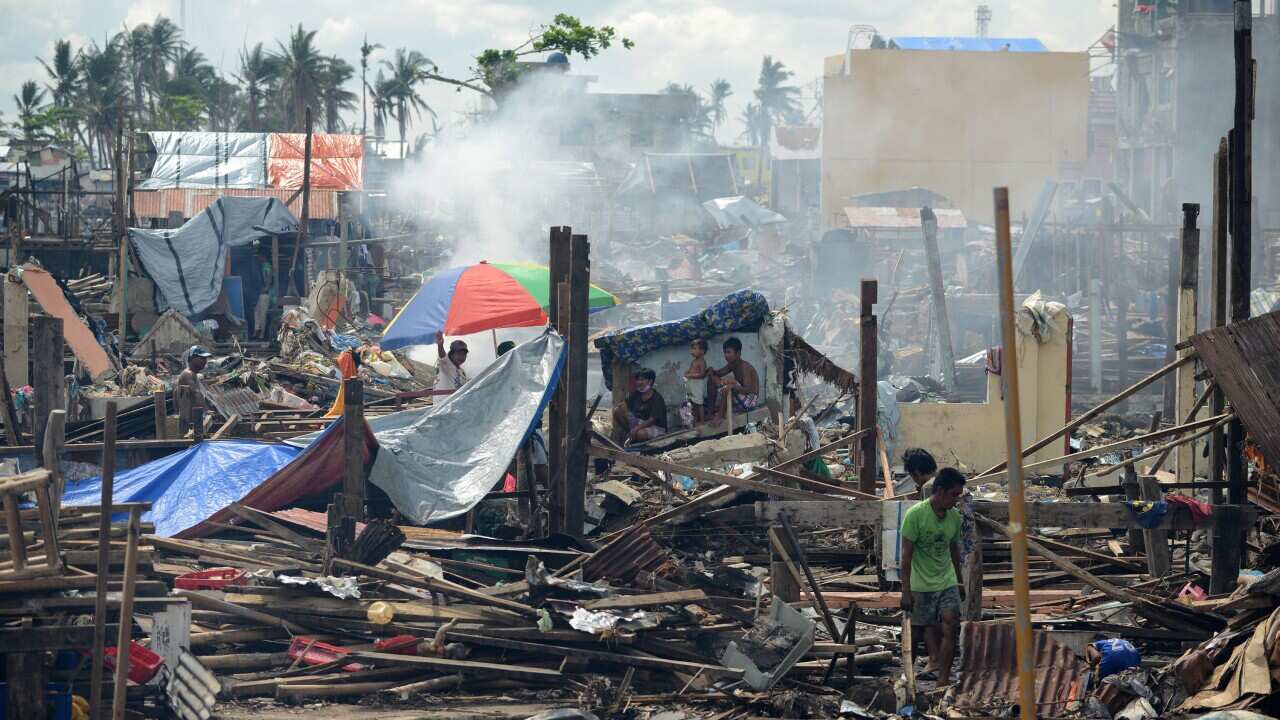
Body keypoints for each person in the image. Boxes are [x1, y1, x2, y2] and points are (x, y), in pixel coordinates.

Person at [900, 467, 966, 686]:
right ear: (939, 491)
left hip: (946, 581)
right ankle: (907, 680)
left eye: (959, 495)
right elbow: (906, 558)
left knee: (951, 625)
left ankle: (943, 680)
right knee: (917, 634)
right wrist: (906, 592)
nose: (956, 500)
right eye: (953, 495)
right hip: (921, 584)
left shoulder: (954, 517)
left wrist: (959, 580)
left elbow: (954, 550)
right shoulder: (915, 516)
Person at [709, 336, 761, 422]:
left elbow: (748, 389)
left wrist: (732, 386)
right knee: (712, 379)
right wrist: (711, 370)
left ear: (738, 353)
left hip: (750, 400)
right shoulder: (732, 364)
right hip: (741, 397)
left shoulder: (745, 367)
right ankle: (710, 413)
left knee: (728, 384)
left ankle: (719, 416)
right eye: (725, 352)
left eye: (729, 352)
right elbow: (718, 373)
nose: (726, 355)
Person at [612, 368, 668, 445]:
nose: (638, 382)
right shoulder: (637, 393)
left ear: (650, 381)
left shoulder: (657, 398)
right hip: (639, 422)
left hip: (655, 426)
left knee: (640, 433)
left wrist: (636, 429)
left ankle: (635, 437)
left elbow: (651, 420)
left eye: (642, 380)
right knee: (617, 411)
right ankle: (632, 436)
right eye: (638, 380)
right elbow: (624, 403)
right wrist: (626, 412)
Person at [175, 345, 212, 437]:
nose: (205, 361)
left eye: (205, 359)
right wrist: (207, 411)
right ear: (193, 359)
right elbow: (197, 395)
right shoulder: (188, 374)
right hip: (187, 421)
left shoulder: (194, 374)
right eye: (202, 358)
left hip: (192, 419)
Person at [324, 344, 365, 418]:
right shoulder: (350, 356)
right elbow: (357, 364)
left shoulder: (344, 355)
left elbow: (345, 367)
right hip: (351, 378)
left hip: (346, 379)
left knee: (344, 395)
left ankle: (348, 409)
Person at [684, 338, 710, 424]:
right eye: (692, 349)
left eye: (695, 349)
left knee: (699, 403)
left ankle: (702, 421)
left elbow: (702, 375)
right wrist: (688, 372)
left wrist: (690, 375)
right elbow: (691, 370)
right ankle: (695, 420)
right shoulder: (694, 361)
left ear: (702, 351)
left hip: (698, 385)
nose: (692, 351)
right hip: (693, 385)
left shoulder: (702, 362)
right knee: (694, 403)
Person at [253, 245, 276, 340]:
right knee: (256, 311)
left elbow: (269, 280)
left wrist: (265, 288)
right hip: (264, 293)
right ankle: (257, 330)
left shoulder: (267, 266)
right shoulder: (264, 266)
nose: (257, 258)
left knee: (262, 314)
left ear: (262, 256)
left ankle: (261, 335)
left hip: (266, 294)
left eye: (258, 256)